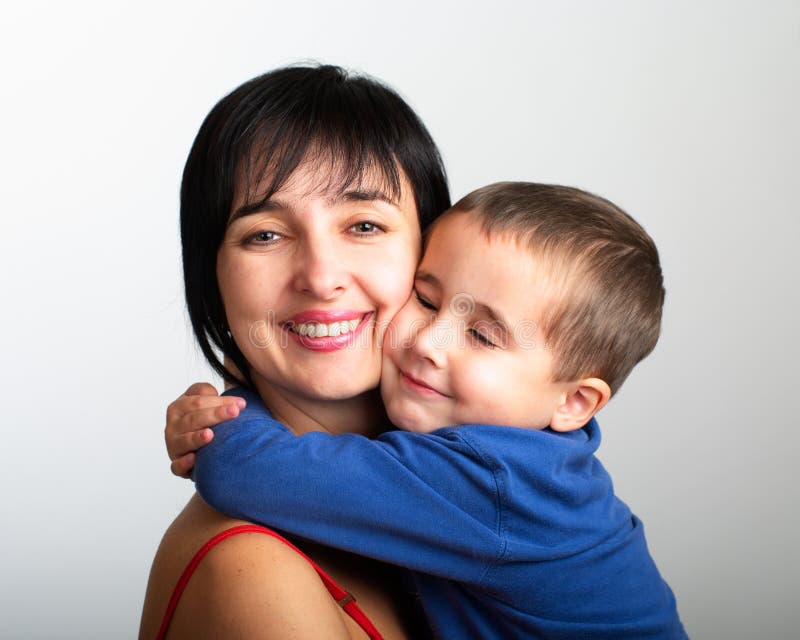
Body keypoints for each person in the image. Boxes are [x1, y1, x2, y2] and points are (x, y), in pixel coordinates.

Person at [166, 182, 688, 638]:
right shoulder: (539, 460)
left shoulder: (495, 482)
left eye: (482, 335)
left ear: (574, 402)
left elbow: (245, 472)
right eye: (427, 299)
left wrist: (232, 403)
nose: (429, 341)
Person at [138, 63, 451, 639]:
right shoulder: (252, 574)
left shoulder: (472, 475)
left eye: (363, 226)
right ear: (213, 280)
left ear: (434, 254)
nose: (321, 276)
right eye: (265, 234)